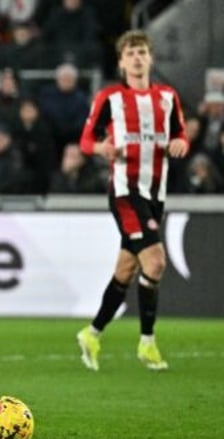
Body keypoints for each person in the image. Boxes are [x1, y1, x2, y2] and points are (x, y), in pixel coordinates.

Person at [76, 30, 189, 371]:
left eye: (142, 51)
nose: (137, 58)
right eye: (131, 53)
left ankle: (92, 333)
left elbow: (179, 133)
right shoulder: (110, 98)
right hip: (126, 192)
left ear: (150, 58)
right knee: (154, 261)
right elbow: (86, 140)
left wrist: (180, 143)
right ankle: (147, 343)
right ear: (121, 61)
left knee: (126, 269)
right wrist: (102, 148)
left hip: (156, 192)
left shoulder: (168, 97)